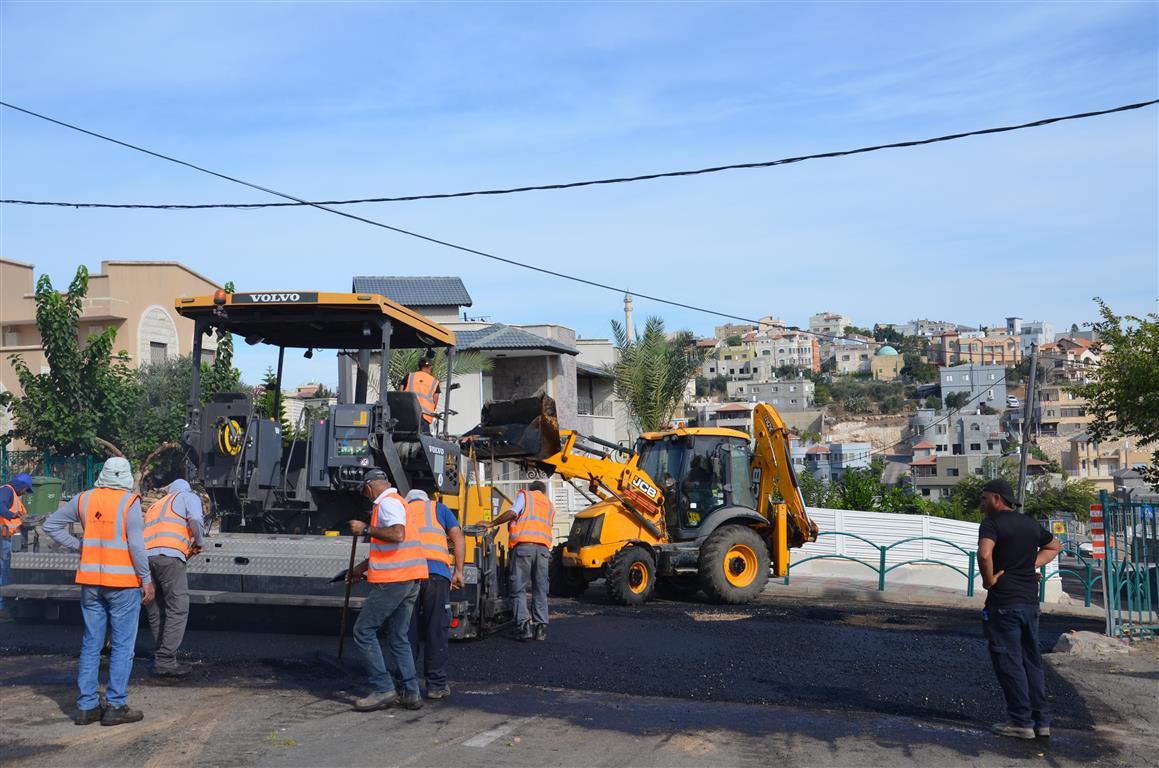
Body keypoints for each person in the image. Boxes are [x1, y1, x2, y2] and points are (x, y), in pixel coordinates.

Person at [43, 457, 155, 727]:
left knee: (92, 644)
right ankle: (116, 705)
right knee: (122, 646)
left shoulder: (83, 499)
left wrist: (79, 546)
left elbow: (50, 526)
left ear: (103, 475)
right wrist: (147, 579)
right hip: (123, 585)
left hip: (91, 582)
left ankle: (86, 707)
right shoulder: (129, 503)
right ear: (126, 478)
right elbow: (137, 547)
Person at [977, 478, 1061, 740]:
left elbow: (984, 553)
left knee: (1009, 661)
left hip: (1004, 604)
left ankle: (1020, 721)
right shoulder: (1030, 523)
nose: (982, 503)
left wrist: (989, 580)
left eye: (985, 498)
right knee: (1031, 662)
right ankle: (1041, 721)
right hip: (1030, 603)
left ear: (997, 498)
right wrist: (1030, 565)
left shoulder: (992, 523)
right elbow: (1055, 546)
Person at [346, 468, 428, 712]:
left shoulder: (387, 504)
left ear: (370, 486)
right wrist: (361, 568)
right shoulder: (398, 502)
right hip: (410, 577)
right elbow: (389, 549)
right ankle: (411, 693)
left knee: (363, 631)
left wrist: (365, 529)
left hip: (395, 580)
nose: (365, 495)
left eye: (364, 490)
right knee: (398, 636)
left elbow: (397, 534)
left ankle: (383, 688)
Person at [404, 487, 465, 700]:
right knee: (436, 629)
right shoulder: (438, 508)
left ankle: (407, 687)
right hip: (436, 575)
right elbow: (457, 537)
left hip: (408, 575)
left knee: (406, 632)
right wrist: (458, 571)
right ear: (425, 499)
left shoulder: (401, 509)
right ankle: (436, 686)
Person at [142, 478, 204, 677]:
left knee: (155, 607)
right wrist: (199, 541)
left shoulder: (155, 505)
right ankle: (166, 660)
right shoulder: (188, 496)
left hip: (147, 558)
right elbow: (195, 518)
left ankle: (162, 655)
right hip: (169, 557)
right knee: (177, 607)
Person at [484, 480, 555, 641]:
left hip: (524, 547)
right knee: (540, 589)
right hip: (543, 550)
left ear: (532, 489)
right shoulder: (549, 505)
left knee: (518, 589)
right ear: (543, 491)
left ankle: (524, 627)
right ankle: (541, 628)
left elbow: (513, 512)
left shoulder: (526, 496)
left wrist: (492, 523)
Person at [0, 473, 33, 617]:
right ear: (21, 486)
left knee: (5, 570)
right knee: (4, 571)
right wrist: (12, 515)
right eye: (25, 489)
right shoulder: (7, 490)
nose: (24, 492)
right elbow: (0, 505)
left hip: (8, 537)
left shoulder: (11, 492)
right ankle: (2, 607)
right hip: (4, 537)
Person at [400, 359, 440, 433]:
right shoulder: (434, 381)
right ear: (429, 367)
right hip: (424, 417)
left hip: (408, 414)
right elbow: (435, 400)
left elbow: (401, 391)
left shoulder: (410, 376)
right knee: (423, 439)